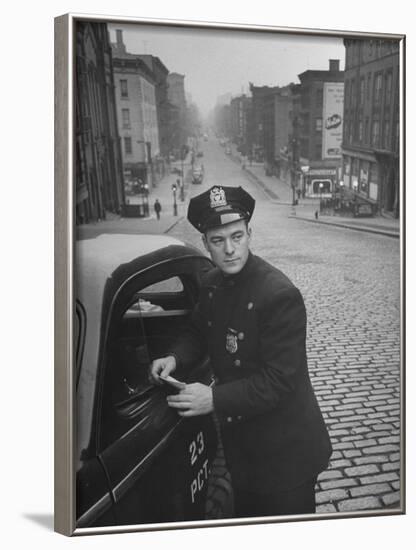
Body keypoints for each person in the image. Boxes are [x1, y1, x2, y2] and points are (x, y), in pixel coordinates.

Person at [149, 185, 332, 518]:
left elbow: (279, 381)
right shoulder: (211, 285)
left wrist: (213, 398)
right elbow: (196, 331)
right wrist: (175, 357)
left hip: (285, 454)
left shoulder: (278, 295)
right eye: (218, 241)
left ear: (250, 234)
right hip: (243, 449)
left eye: (237, 236)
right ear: (206, 244)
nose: (229, 250)